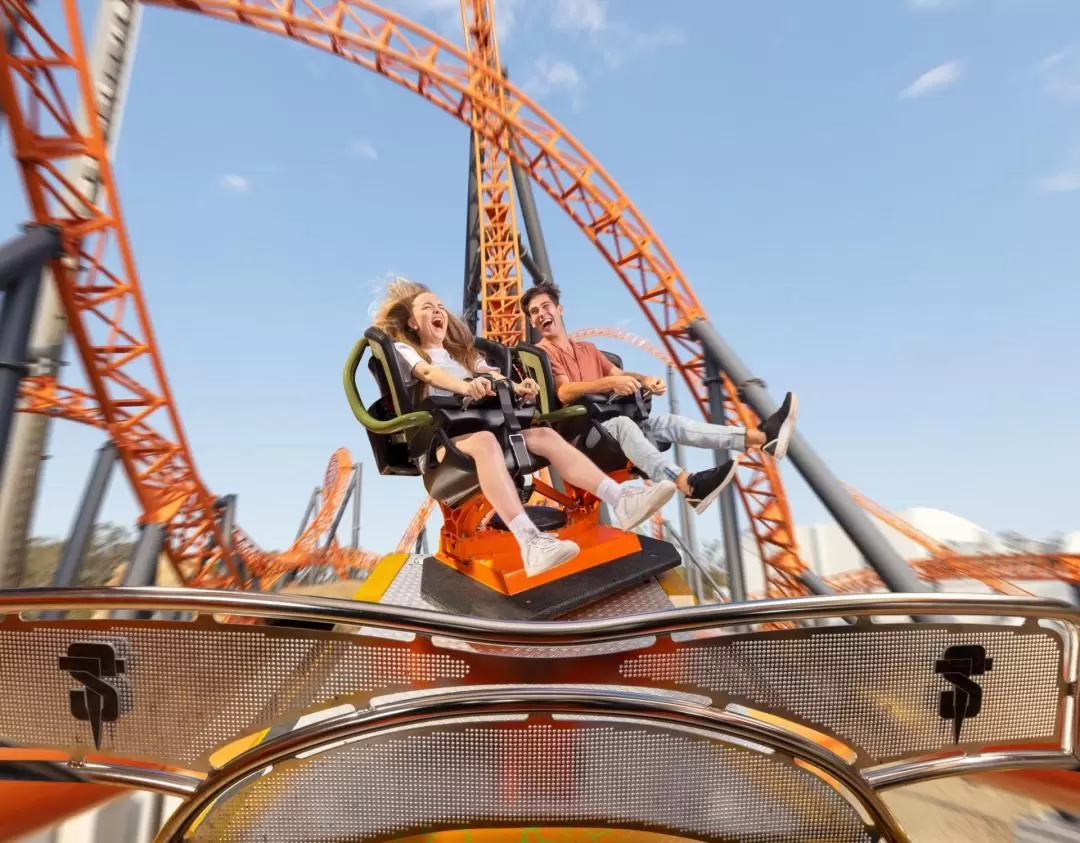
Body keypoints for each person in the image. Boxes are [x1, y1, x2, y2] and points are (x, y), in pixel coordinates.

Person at [373, 279, 677, 577]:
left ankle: (621, 500)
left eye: (441, 306)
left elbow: (491, 374)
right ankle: (530, 543)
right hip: (441, 441)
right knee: (485, 443)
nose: (439, 311)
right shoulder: (406, 350)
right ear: (413, 322)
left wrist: (520, 387)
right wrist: (465, 388)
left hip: (486, 426)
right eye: (428, 307)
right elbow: (428, 373)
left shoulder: (463, 354)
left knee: (544, 435)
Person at [522, 280, 797, 515]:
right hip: (582, 434)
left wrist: (643, 380)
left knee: (670, 423)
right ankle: (688, 484)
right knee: (624, 426)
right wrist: (609, 382)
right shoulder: (544, 354)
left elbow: (620, 373)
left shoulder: (588, 348)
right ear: (532, 321)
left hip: (609, 422)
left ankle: (762, 438)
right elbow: (564, 392)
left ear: (559, 309)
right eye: (534, 312)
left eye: (546, 306)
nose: (541, 314)